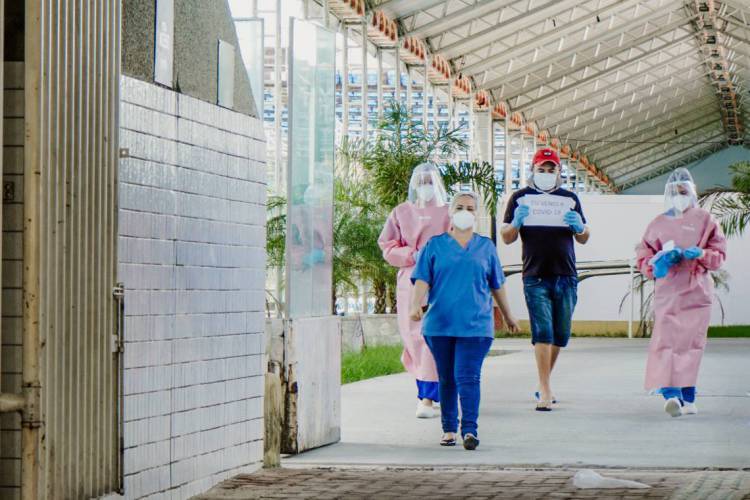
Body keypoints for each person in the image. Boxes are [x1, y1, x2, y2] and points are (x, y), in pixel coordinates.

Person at [410, 192, 520, 450]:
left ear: (476, 213)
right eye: (459, 207)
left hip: (476, 326)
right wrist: (415, 304)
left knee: (467, 376)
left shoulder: (486, 247)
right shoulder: (434, 245)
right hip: (440, 325)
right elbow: (422, 278)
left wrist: (508, 315)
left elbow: (497, 284)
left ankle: (469, 430)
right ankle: (449, 429)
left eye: (470, 208)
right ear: (450, 211)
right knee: (446, 378)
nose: (464, 211)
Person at [500, 147, 590, 411]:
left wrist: (579, 226)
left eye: (552, 170)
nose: (547, 174)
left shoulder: (569, 198)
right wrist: (516, 222)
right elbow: (507, 236)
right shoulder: (521, 198)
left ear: (559, 172)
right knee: (543, 332)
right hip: (535, 276)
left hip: (566, 275)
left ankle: (542, 384)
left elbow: (584, 236)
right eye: (542, 169)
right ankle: (546, 390)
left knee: (560, 334)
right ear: (533, 171)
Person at [635, 168, 726, 417]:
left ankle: (688, 396)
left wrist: (703, 254)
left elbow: (719, 257)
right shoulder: (657, 225)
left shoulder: (707, 221)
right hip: (669, 293)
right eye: (675, 191)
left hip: (697, 293)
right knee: (666, 343)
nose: (679, 195)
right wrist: (658, 263)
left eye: (684, 191)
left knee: (691, 344)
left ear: (692, 192)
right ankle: (671, 394)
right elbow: (643, 257)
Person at [378, 163, 451, 418]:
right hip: (410, 279)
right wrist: (412, 254)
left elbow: (458, 242)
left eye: (430, 181)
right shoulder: (401, 212)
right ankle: (428, 394)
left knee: (433, 337)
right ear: (413, 185)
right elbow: (387, 245)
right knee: (414, 337)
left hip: (442, 279)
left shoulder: (448, 213)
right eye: (421, 182)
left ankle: (429, 397)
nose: (426, 187)